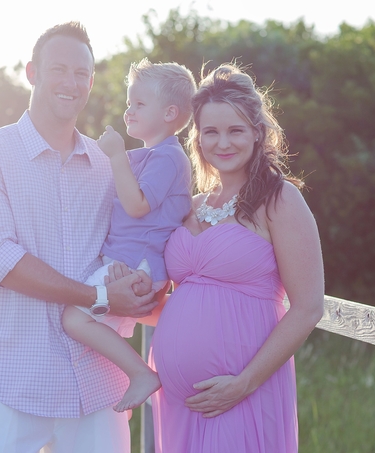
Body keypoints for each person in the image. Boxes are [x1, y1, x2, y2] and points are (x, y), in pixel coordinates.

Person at [0, 22, 158, 453]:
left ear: (92, 82)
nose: (71, 82)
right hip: (12, 379)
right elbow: (1, 260)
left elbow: (141, 236)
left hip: (97, 383)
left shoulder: (108, 166)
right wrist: (98, 296)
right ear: (32, 72)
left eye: (82, 73)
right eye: (59, 69)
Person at [149, 63, 325, 452]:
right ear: (197, 139)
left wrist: (243, 383)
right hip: (178, 402)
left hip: (241, 393)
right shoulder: (188, 205)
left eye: (236, 130)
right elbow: (170, 299)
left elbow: (309, 307)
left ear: (258, 134)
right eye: (211, 131)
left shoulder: (279, 200)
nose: (223, 142)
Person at [61, 58, 195, 414]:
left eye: (139, 104)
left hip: (137, 268)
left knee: (73, 319)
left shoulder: (168, 158)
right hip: (129, 266)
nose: (128, 110)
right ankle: (116, 395)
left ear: (169, 113)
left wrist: (117, 155)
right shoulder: (149, 155)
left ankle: (140, 374)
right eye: (128, 102)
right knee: (101, 331)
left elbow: (137, 206)